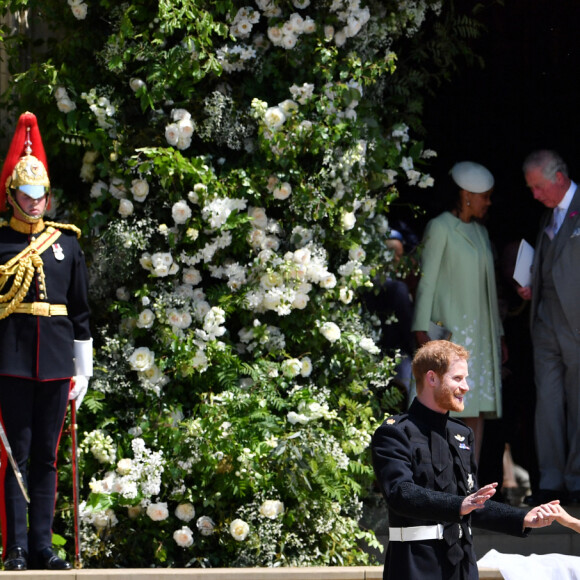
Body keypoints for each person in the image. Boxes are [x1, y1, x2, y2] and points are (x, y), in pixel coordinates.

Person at [371, 340, 560, 580]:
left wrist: (523, 518)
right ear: (432, 378)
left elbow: (473, 502)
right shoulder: (395, 432)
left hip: (462, 565)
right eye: (458, 378)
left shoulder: (461, 434)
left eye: (466, 378)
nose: (466, 387)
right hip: (415, 565)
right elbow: (400, 494)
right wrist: (459, 505)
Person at [0, 112, 92, 570]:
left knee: (47, 457)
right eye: (26, 193)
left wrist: (84, 368)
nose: (35, 202)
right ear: (12, 195)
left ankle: (42, 546)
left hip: (56, 362)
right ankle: (15, 547)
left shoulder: (67, 245)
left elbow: (79, 312)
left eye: (41, 194)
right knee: (16, 455)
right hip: (12, 359)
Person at [411, 161, 506, 462]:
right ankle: (439, 480)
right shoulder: (440, 227)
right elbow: (426, 281)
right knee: (445, 405)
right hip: (451, 331)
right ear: (466, 194)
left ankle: (470, 481)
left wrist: (500, 335)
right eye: (485, 196)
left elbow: (490, 291)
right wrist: (420, 329)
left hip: (481, 335)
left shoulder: (480, 232)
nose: (488, 202)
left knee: (475, 406)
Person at [518, 150, 580, 506]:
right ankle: (552, 482)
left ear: (559, 178)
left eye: (539, 187)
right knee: (549, 405)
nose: (535, 195)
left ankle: (575, 482)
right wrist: (531, 285)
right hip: (545, 324)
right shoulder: (546, 216)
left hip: (576, 324)